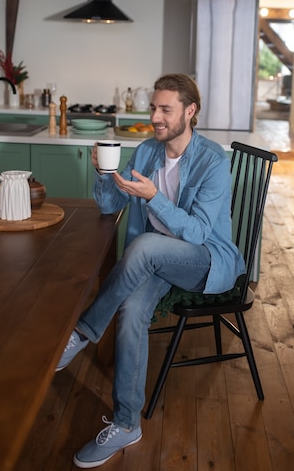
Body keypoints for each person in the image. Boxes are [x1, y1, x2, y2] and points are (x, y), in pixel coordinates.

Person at [56, 73, 245, 468]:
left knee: (142, 246)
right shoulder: (146, 151)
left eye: (165, 110)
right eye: (154, 108)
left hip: (204, 259)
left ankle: (84, 331)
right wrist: (104, 172)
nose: (155, 117)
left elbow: (196, 232)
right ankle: (127, 424)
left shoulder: (212, 160)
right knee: (130, 314)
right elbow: (111, 207)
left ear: (189, 112)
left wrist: (155, 198)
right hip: (155, 260)